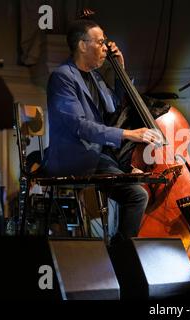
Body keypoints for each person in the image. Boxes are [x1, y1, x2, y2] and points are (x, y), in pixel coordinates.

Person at [44, 19, 161, 241]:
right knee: (136, 196)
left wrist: (120, 70)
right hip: (74, 156)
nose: (105, 47)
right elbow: (78, 125)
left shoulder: (95, 76)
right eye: (100, 42)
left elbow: (114, 108)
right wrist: (128, 134)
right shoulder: (62, 77)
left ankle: (120, 250)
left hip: (97, 154)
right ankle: (122, 253)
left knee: (141, 188)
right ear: (82, 45)